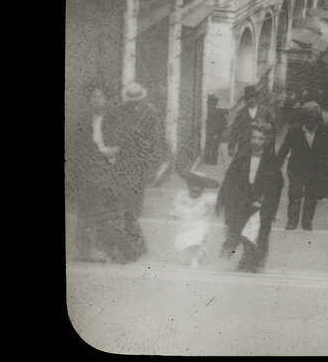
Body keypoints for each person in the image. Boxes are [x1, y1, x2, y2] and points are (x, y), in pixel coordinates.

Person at [105, 82, 164, 263]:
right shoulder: (118, 112)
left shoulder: (150, 112)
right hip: (122, 165)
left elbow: (157, 140)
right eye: (131, 101)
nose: (133, 104)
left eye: (135, 101)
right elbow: (109, 135)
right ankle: (129, 249)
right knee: (123, 208)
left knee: (131, 208)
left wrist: (152, 167)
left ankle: (132, 249)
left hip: (138, 167)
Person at [216, 121, 283, 272]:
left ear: (266, 141)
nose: (256, 142)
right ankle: (245, 259)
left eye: (261, 138)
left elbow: (276, 186)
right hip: (242, 204)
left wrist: (265, 200)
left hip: (260, 207)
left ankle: (250, 260)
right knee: (239, 231)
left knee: (255, 235)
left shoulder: (271, 163)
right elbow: (230, 181)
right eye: (254, 138)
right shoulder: (242, 158)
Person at [71, 86, 120, 261]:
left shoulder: (114, 120)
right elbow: (76, 148)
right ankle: (84, 250)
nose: (97, 100)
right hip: (88, 170)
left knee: (106, 210)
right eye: (93, 96)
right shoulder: (82, 121)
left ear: (106, 100)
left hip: (108, 168)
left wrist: (112, 152)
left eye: (100, 96)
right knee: (85, 210)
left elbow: (122, 143)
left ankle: (106, 250)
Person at [277, 102, 328, 231]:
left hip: (315, 170)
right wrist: (277, 167)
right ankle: (292, 221)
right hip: (296, 168)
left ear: (317, 118)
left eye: (313, 118)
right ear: (303, 118)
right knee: (295, 194)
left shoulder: (325, 130)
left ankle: (307, 222)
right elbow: (284, 149)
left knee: (311, 195)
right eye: (307, 118)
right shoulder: (294, 129)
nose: (310, 121)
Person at [171, 171, 220, 268]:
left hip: (199, 224)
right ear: (189, 186)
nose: (195, 188)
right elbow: (175, 209)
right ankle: (187, 258)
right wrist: (174, 214)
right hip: (184, 224)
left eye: (199, 186)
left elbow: (221, 200)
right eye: (193, 185)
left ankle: (195, 259)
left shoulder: (207, 198)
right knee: (181, 244)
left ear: (203, 188)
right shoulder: (182, 195)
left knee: (197, 237)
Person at [228, 85, 262, 160]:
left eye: (253, 97)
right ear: (246, 100)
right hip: (243, 147)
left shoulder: (263, 112)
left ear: (256, 98)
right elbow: (234, 131)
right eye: (249, 98)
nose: (252, 100)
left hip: (259, 147)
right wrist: (231, 147)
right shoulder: (240, 114)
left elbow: (271, 128)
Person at [203, 95, 227, 165]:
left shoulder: (209, 111)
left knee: (210, 146)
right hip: (213, 132)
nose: (212, 104)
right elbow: (224, 123)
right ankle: (212, 161)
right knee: (213, 146)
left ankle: (208, 161)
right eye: (211, 103)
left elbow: (224, 123)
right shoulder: (218, 111)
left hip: (212, 132)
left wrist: (220, 129)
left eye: (213, 103)